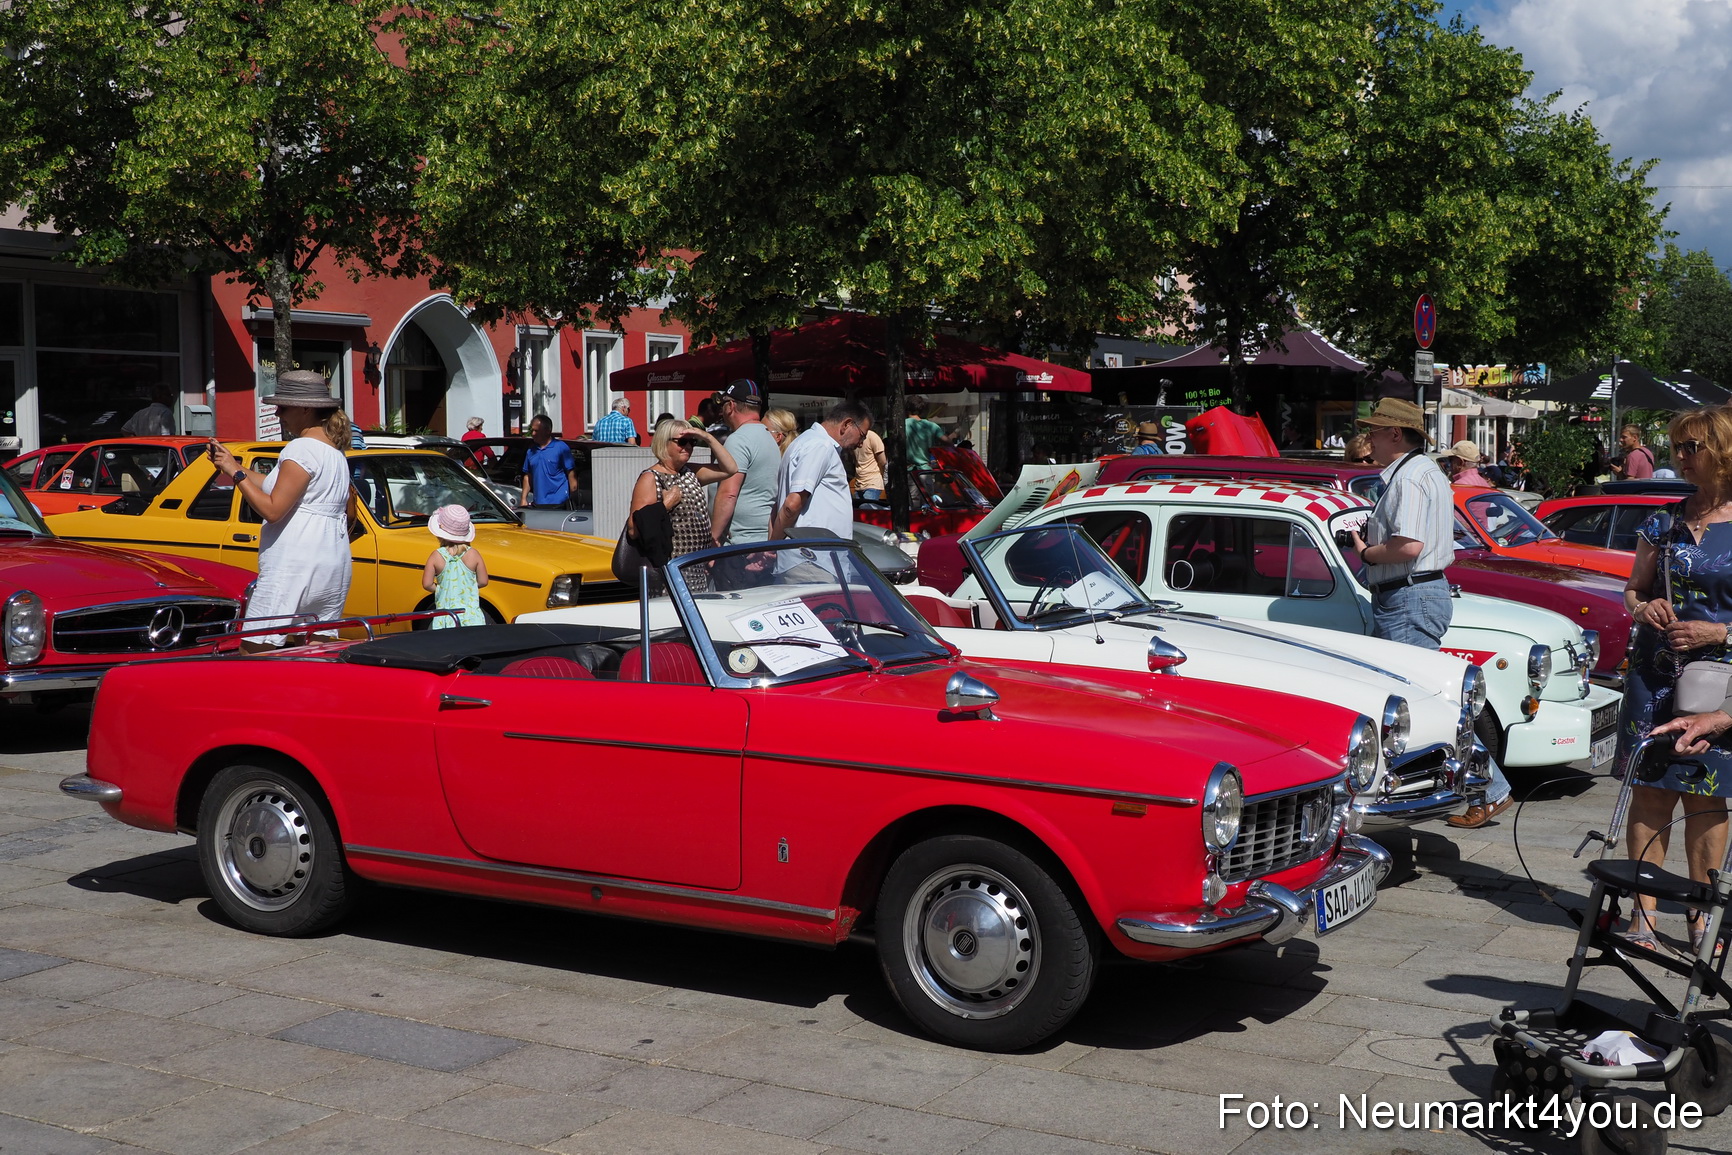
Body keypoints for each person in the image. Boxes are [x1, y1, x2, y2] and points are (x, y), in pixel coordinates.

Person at [1346, 397, 1512, 829]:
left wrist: (1366, 551)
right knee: (1428, 702)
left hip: (1410, 595)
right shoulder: (1424, 473)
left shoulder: (1410, 478)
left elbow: (1408, 546)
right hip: (1415, 593)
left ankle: (1491, 789)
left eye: (1376, 431)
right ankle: (1473, 787)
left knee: (1428, 704)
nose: (1371, 439)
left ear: (1395, 435)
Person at [1612, 405, 1732, 956]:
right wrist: (1645, 609)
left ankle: (1702, 918)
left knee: (1706, 797)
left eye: (1691, 447)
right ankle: (1644, 916)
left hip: (1717, 681)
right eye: (1676, 446)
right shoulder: (1662, 519)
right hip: (1654, 677)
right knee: (1650, 793)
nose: (1679, 457)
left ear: (1723, 452)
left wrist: (1719, 634)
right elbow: (1632, 589)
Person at [208, 371, 353, 650]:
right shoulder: (334, 452)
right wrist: (234, 465)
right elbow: (277, 487)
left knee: (255, 651)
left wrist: (234, 475)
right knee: (315, 652)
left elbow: (273, 510)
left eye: (283, 406)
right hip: (331, 562)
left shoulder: (301, 449)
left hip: (295, 561)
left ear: (305, 408)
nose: (277, 413)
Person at [628, 418, 737, 592]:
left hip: (697, 568)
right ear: (664, 443)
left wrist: (706, 437)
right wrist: (665, 504)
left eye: (692, 442)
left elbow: (730, 469)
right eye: (682, 441)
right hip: (671, 570)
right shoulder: (651, 477)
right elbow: (634, 528)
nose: (688, 447)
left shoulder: (689, 472)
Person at [773, 399, 872, 540]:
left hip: (814, 552)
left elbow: (778, 506)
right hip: (812, 555)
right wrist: (771, 547)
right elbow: (791, 505)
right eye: (862, 435)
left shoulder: (807, 441)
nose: (861, 443)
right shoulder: (820, 446)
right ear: (847, 425)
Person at [709, 379, 780, 544]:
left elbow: (729, 493)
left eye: (723, 404)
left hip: (740, 543)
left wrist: (714, 537)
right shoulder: (768, 436)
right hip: (761, 538)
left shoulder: (739, 440)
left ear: (731, 406)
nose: (721, 410)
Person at [421, 504, 488, 629]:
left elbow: (427, 584)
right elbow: (483, 581)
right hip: (472, 617)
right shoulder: (473, 554)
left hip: (445, 617)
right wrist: (466, 586)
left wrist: (444, 588)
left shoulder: (436, 556)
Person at [519, 414, 576, 508]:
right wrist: (523, 498)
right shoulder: (531, 451)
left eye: (536, 431)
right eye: (532, 430)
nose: (533, 434)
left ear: (547, 431)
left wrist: (572, 497)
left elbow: (571, 473)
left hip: (558, 503)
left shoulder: (560, 448)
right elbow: (528, 476)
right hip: (538, 503)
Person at [904, 397, 953, 470]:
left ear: (906, 409)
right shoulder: (932, 426)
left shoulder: (902, 425)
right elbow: (949, 442)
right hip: (926, 470)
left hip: (907, 471)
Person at [854, 423, 889, 501]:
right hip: (868, 482)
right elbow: (883, 461)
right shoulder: (873, 436)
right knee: (868, 510)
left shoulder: (857, 436)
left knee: (865, 510)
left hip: (865, 482)